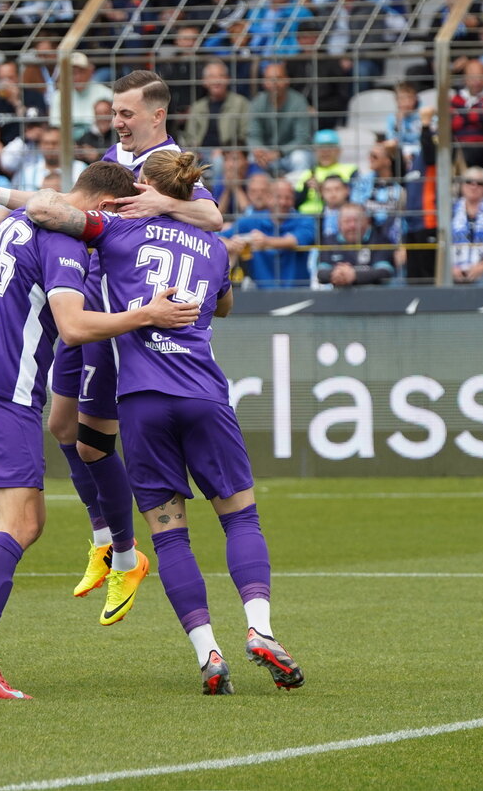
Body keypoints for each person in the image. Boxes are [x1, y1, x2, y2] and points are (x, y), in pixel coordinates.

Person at [0, 162, 199, 699]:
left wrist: (0, 193)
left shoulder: (20, 220)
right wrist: (147, 315)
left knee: (17, 520)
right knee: (20, 524)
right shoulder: (62, 239)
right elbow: (73, 326)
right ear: (105, 207)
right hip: (5, 393)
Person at [0, 69, 223, 623]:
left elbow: (213, 217)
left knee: (92, 444)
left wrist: (164, 206)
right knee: (62, 427)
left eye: (125, 112)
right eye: (114, 111)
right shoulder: (117, 161)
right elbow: (73, 204)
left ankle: (123, 555)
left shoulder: (169, 165)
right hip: (83, 298)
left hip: (116, 315)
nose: (115, 120)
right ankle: (106, 543)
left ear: (157, 116)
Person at [26, 151, 303, 694]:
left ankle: (209, 655)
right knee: (241, 520)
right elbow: (224, 306)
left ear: (146, 190)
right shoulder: (215, 248)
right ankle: (261, 629)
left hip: (142, 402)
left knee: (171, 537)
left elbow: (46, 211)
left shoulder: (118, 231)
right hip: (204, 394)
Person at [316, 202, 395, 287]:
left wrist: (355, 275)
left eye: (356, 220)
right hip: (337, 294)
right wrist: (336, 274)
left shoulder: (380, 240)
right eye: (347, 221)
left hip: (374, 294)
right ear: (339, 224)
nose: (352, 226)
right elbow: (321, 273)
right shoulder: (329, 241)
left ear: (367, 221)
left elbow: (384, 273)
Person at [450, 167, 483, 284]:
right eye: (469, 182)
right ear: (462, 185)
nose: (473, 186)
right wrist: (450, 267)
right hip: (453, 273)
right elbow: (442, 241)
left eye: (479, 183)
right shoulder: (450, 210)